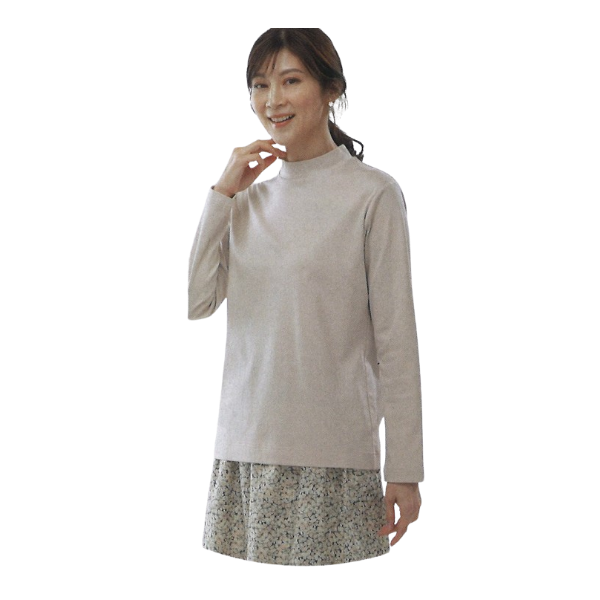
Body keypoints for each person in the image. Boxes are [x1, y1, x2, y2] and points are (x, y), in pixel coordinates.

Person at [188, 28, 423, 567]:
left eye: (290, 81)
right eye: (260, 84)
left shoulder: (374, 193)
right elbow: (194, 304)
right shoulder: (245, 200)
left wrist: (406, 470)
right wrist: (221, 194)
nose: (273, 99)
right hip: (245, 452)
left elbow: (397, 343)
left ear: (331, 89)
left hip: (336, 457)